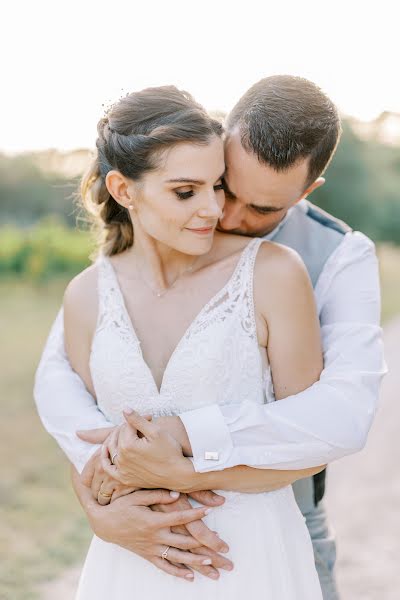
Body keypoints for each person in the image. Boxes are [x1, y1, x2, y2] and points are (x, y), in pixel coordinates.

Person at [34, 77, 386, 600]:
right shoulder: (110, 274)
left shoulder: (331, 257)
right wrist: (98, 500)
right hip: (133, 547)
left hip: (268, 528)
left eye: (262, 209)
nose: (225, 216)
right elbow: (59, 380)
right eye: (226, 187)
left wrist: (185, 449)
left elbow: (340, 415)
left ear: (307, 192)